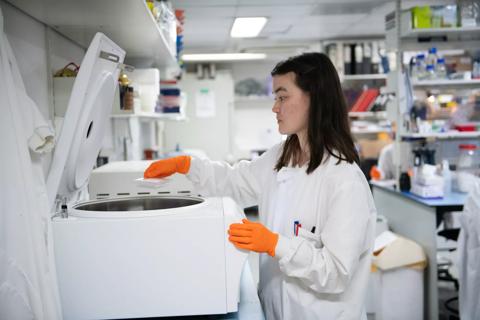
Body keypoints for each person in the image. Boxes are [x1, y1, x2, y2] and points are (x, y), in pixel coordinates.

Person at [144, 52, 377, 319]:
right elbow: (234, 182)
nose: (274, 108)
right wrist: (189, 165)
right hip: (274, 310)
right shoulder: (281, 157)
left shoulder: (344, 180)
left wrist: (275, 244)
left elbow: (336, 273)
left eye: (282, 96)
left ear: (315, 98)